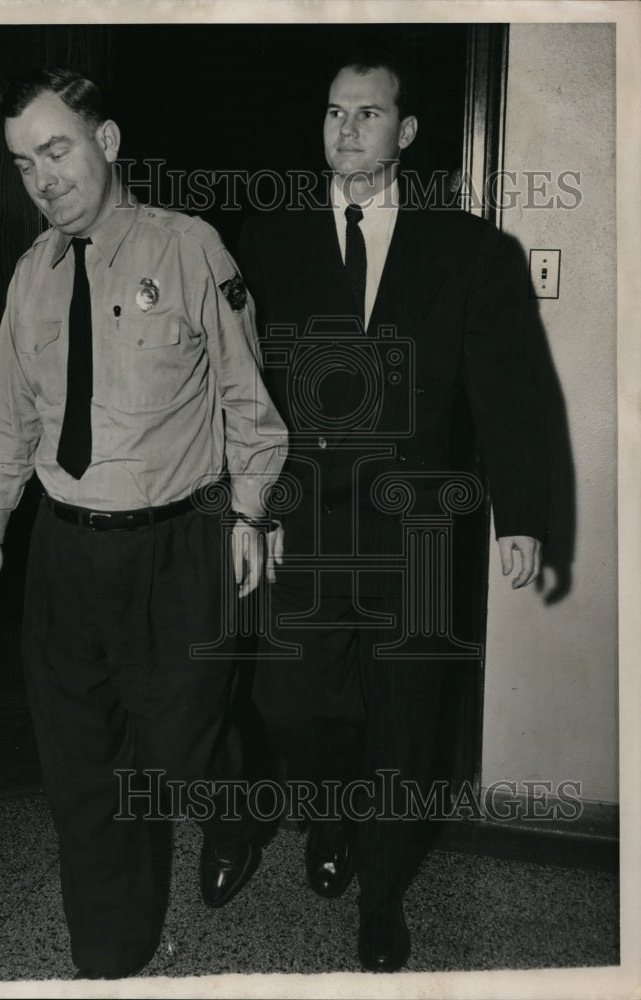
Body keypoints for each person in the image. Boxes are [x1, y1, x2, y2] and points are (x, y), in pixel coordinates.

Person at [0, 67, 287, 980]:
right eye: (25, 163)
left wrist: (251, 512)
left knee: (179, 748)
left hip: (178, 544)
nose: (43, 179)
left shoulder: (190, 249)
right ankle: (112, 955)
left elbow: (246, 399)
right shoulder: (32, 275)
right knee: (81, 767)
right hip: (66, 551)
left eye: (57, 151)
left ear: (105, 144)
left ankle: (238, 799)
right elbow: (9, 413)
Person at [238, 51, 549, 972]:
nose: (345, 130)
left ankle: (380, 895)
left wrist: (520, 513)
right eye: (334, 113)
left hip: (415, 531)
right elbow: (244, 385)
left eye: (367, 115)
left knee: (408, 720)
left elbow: (508, 391)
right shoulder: (270, 238)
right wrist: (249, 507)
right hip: (308, 520)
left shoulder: (471, 252)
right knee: (287, 701)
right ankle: (327, 812)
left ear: (405, 133)